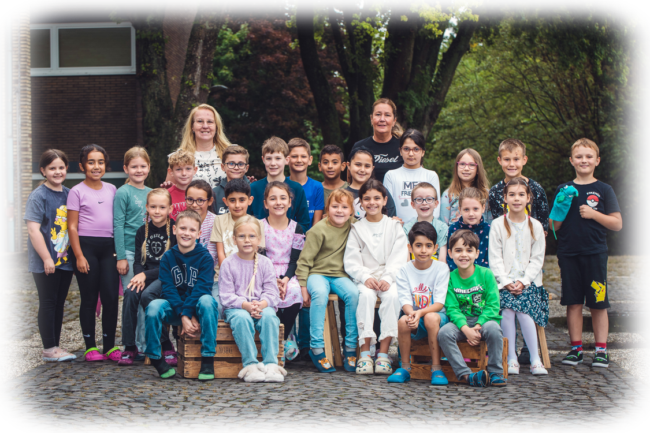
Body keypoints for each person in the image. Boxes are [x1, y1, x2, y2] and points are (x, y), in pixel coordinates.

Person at [550, 138, 622, 368]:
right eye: (579, 156)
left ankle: (601, 350)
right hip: (568, 254)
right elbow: (553, 227)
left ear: (597, 161)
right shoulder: (563, 189)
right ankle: (576, 349)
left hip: (595, 253)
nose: (584, 160)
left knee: (598, 302)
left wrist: (594, 214)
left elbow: (617, 223)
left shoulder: (604, 189)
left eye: (589, 156)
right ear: (571, 160)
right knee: (573, 302)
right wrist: (561, 206)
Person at [145, 210, 219, 380]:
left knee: (208, 301)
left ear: (199, 234)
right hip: (175, 308)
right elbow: (168, 289)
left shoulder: (205, 258)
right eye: (183, 228)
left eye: (192, 230)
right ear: (174, 229)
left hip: (197, 309)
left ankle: (208, 358)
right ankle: (156, 357)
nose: (187, 233)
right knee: (154, 306)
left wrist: (187, 313)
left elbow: (202, 288)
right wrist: (183, 315)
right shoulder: (167, 257)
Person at [343, 180, 408, 375]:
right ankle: (364, 353)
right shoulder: (357, 228)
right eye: (367, 199)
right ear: (361, 202)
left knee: (393, 296)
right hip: (366, 277)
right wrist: (365, 276)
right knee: (365, 296)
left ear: (385, 200)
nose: (372, 203)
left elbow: (400, 257)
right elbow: (351, 260)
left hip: (389, 277)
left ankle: (383, 354)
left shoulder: (394, 226)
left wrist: (388, 277)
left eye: (377, 198)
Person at [67, 144, 122, 362]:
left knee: (110, 297)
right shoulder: (76, 191)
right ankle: (90, 346)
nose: (96, 166)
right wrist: (79, 256)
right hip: (85, 247)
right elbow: (72, 227)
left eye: (100, 162)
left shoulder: (112, 189)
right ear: (82, 166)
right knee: (89, 298)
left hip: (109, 248)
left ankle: (109, 346)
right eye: (91, 162)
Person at [488, 177, 549, 376]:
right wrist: (506, 282)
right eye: (512, 195)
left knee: (523, 310)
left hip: (529, 284)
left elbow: (537, 259)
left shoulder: (536, 226)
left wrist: (523, 281)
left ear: (528, 198)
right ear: (505, 198)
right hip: (503, 284)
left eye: (521, 194)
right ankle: (511, 357)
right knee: (507, 310)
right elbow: (494, 258)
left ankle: (535, 359)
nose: (516, 199)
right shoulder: (497, 224)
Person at [296, 189, 359, 373]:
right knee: (320, 294)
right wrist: (303, 287)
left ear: (351, 211)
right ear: (327, 209)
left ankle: (350, 347)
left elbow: (373, 225)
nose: (339, 211)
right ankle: (316, 347)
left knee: (353, 294)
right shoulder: (317, 230)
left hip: (340, 275)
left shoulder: (354, 226)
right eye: (335, 206)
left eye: (344, 207)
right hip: (317, 273)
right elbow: (304, 261)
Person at [219, 216, 286, 383]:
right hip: (238, 308)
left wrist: (261, 305)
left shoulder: (265, 263)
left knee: (270, 317)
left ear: (259, 239)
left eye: (251, 236)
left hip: (260, 305)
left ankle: (271, 364)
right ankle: (250, 364)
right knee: (242, 319)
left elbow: (271, 292)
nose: (247, 240)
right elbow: (226, 296)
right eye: (242, 236)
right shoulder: (228, 263)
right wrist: (246, 306)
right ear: (234, 239)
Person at [25, 149, 76, 362]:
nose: (57, 172)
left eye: (61, 167)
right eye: (52, 168)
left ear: (66, 168)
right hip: (47, 261)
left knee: (59, 303)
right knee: (48, 302)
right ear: (43, 170)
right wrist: (47, 258)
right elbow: (33, 230)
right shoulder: (38, 196)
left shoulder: (69, 194)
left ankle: (55, 346)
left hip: (65, 260)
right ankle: (49, 349)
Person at [438, 230, 506, 387]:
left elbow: (493, 305)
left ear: (477, 253)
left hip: (485, 320)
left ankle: (495, 372)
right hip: (461, 322)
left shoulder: (486, 274)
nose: (464, 255)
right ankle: (466, 375)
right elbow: (452, 308)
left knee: (494, 329)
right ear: (450, 253)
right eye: (458, 250)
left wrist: (478, 325)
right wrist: (466, 329)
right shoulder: (450, 278)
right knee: (444, 333)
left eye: (469, 250)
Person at [387, 222, 450, 385]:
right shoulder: (404, 270)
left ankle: (436, 368)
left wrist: (419, 313)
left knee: (430, 317)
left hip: (438, 318)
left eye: (428, 246)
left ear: (435, 248)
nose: (423, 250)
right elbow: (405, 301)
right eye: (418, 245)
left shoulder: (441, 269)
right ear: (410, 247)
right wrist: (412, 314)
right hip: (414, 316)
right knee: (403, 321)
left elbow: (439, 303)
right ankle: (405, 367)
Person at [120, 188, 177, 366]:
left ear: (170, 208)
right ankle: (130, 346)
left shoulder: (175, 230)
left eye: (162, 207)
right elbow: (139, 261)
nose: (157, 211)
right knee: (130, 293)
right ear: (147, 208)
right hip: (145, 276)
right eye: (153, 207)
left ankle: (165, 344)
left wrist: (144, 275)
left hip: (166, 278)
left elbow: (171, 265)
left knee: (147, 296)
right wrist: (139, 275)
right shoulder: (141, 231)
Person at [113, 147, 151, 359]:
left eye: (143, 166)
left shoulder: (151, 192)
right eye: (134, 166)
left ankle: (144, 343)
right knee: (132, 299)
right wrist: (120, 256)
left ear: (149, 167)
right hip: (128, 251)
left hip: (147, 255)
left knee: (146, 298)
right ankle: (131, 344)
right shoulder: (123, 192)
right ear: (126, 168)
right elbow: (118, 225)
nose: (139, 170)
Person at [261, 182, 305, 361]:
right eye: (273, 199)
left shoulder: (297, 228)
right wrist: (273, 280)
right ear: (266, 204)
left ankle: (283, 338)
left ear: (289, 203)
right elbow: (260, 257)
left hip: (289, 273)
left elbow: (295, 259)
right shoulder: (259, 226)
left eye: (283, 198)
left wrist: (286, 279)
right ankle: (278, 341)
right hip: (265, 272)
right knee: (271, 294)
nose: (278, 202)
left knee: (294, 292)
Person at [248, 137, 311, 233]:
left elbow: (304, 223)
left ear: (287, 160)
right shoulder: (253, 188)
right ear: (263, 159)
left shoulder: (296, 188)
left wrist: (288, 236)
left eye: (278, 158)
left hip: (289, 240)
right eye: (269, 158)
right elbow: (246, 220)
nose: (273, 163)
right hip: (259, 239)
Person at [489, 139, 550, 234]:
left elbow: (543, 227)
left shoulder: (536, 189)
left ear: (524, 160)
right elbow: (496, 225)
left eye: (516, 159)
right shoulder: (494, 191)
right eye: (507, 159)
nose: (511, 164)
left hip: (531, 240)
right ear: (499, 160)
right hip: (505, 240)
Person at [165, 104, 232, 189]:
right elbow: (168, 193)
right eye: (200, 121)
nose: (205, 126)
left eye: (210, 122)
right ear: (192, 126)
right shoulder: (179, 157)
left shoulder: (230, 154)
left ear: (216, 126)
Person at [211, 179, 266, 281]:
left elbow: (256, 254)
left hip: (249, 276)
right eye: (232, 200)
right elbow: (220, 253)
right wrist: (228, 276)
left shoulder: (258, 224)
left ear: (250, 200)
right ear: (225, 201)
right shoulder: (219, 220)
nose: (237, 205)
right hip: (223, 276)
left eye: (242, 200)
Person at [383, 129, 441, 222]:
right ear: (400, 151)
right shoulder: (390, 176)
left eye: (416, 149)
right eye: (406, 149)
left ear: (423, 152)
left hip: (425, 227)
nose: (411, 154)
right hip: (398, 227)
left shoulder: (431, 176)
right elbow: (387, 207)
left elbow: (435, 209)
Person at [350, 98, 403, 183]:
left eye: (387, 115)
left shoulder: (404, 146)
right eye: (378, 114)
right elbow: (351, 179)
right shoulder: (359, 146)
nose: (382, 119)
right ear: (371, 119)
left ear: (394, 121)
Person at [439, 148, 491, 225]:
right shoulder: (448, 195)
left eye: (471, 165)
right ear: (456, 167)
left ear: (478, 169)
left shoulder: (486, 194)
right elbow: (443, 225)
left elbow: (491, 225)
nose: (466, 168)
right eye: (462, 164)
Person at [446, 187, 491, 272]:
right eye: (466, 209)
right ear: (460, 209)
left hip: (482, 275)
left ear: (483, 208)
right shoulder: (453, 229)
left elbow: (490, 258)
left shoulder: (488, 230)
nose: (471, 214)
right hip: (458, 275)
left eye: (475, 209)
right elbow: (450, 257)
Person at [402, 182, 449, 262]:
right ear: (413, 204)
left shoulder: (442, 228)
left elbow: (442, 259)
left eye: (429, 199)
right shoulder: (407, 229)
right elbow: (406, 259)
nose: (424, 203)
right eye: (419, 199)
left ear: (436, 203)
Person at [346, 147, 397, 219]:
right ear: (348, 165)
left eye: (367, 166)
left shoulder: (381, 191)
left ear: (372, 168)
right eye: (358, 164)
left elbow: (391, 217)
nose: (362, 170)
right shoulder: (342, 194)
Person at [288, 138, 324, 228]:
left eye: (303, 156)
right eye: (294, 156)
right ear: (287, 159)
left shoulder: (317, 187)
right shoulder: (280, 185)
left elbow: (316, 225)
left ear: (310, 160)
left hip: (309, 235)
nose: (299, 160)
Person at [211, 145, 250, 215]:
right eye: (231, 163)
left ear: (246, 168)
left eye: (241, 164)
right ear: (223, 167)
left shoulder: (254, 190)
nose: (236, 168)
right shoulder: (214, 193)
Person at [167, 150, 197, 220]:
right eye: (178, 169)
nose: (184, 173)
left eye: (188, 169)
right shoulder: (167, 195)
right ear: (171, 172)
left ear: (195, 170)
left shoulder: (200, 193)